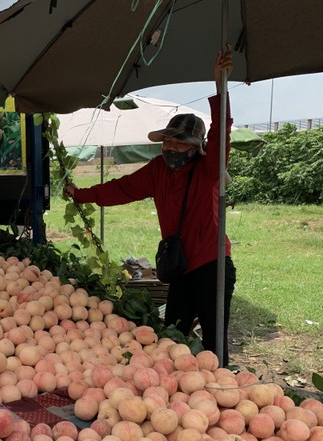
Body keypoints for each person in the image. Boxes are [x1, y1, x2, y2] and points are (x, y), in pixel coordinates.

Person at [64, 47, 236, 367]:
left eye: (179, 142)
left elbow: (221, 136)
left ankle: (220, 390)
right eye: (168, 141)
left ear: (195, 147)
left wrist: (220, 88)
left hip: (212, 265)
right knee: (172, 334)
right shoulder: (158, 169)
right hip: (182, 265)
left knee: (215, 341)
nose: (171, 147)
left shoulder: (207, 168)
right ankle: (175, 389)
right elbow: (122, 188)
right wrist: (82, 195)